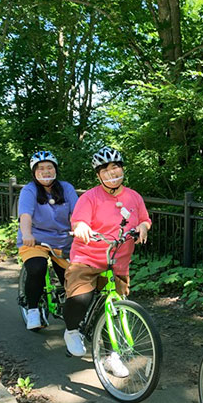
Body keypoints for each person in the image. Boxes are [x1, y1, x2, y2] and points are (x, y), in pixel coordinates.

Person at [63, 146, 151, 377]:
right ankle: (72, 330)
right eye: (105, 170)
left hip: (118, 261)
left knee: (113, 309)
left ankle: (111, 356)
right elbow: (79, 221)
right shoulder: (89, 197)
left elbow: (144, 218)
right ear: (98, 175)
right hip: (88, 257)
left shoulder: (134, 196)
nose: (112, 173)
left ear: (122, 169)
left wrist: (143, 226)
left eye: (115, 167)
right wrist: (81, 227)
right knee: (81, 296)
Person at [17, 150, 78, 330]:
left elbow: (76, 213)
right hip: (36, 240)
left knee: (72, 277)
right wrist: (27, 234)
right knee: (37, 268)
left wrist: (77, 229)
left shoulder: (66, 188)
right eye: (41, 168)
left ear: (55, 169)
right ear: (34, 172)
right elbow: (25, 215)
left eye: (49, 167)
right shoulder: (29, 190)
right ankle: (33, 310)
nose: (46, 172)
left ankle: (73, 317)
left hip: (63, 241)